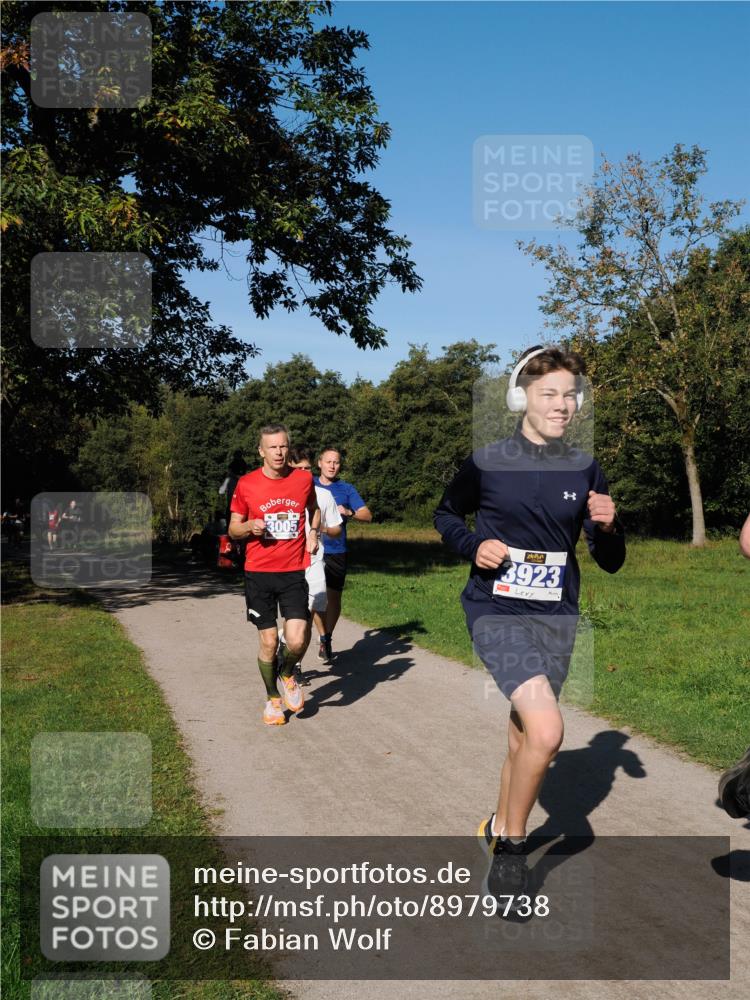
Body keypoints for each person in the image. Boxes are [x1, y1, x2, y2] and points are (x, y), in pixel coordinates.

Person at [434, 345, 626, 917]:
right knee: (546, 731)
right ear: (521, 397)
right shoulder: (487, 462)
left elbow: (610, 559)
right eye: (550, 394)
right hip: (495, 611)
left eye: (571, 395)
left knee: (523, 734)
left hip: (556, 617)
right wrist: (475, 545)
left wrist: (609, 527)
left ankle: (495, 822)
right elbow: (445, 514)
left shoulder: (585, 468)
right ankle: (512, 853)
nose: (563, 405)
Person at [229, 425, 321, 726]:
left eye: (283, 447)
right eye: (272, 447)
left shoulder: (303, 479)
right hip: (258, 573)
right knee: (268, 642)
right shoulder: (246, 484)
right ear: (261, 451)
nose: (279, 453)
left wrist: (312, 532)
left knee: (296, 640)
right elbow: (233, 528)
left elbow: (314, 509)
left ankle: (286, 672)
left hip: (293, 570)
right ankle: (272, 699)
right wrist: (249, 526)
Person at [284, 446, 343, 684]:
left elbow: (337, 527)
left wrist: (319, 531)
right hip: (287, 564)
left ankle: (292, 657)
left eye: (308, 469)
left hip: (315, 562)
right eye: (299, 469)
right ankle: (294, 664)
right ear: (290, 468)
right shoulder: (282, 494)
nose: (305, 473)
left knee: (310, 613)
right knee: (297, 617)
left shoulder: (324, 495)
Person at [313, 448, 372, 664]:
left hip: (336, 549)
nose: (332, 466)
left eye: (336, 462)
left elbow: (367, 515)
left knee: (333, 598)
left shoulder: (346, 488)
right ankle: (321, 635)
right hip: (311, 550)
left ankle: (326, 637)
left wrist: (349, 512)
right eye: (328, 461)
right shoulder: (308, 484)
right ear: (319, 463)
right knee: (314, 599)